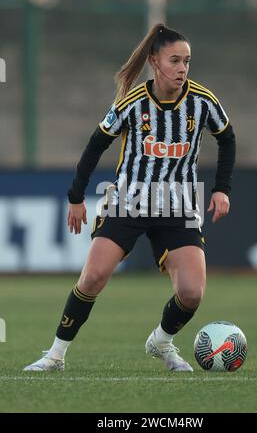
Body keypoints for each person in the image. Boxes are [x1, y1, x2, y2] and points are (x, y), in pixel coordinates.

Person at [24, 23, 235, 372]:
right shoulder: (132, 102)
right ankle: (55, 355)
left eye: (187, 61)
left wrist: (222, 189)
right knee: (92, 278)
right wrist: (76, 197)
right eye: (175, 60)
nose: (182, 68)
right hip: (129, 200)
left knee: (192, 293)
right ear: (155, 62)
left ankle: (162, 341)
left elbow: (227, 139)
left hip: (178, 205)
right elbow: (96, 144)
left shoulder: (203, 101)